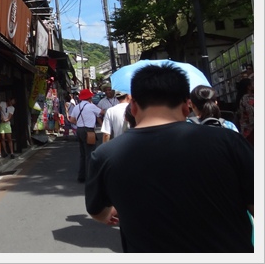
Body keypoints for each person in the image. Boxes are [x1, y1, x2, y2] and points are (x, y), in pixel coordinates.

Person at [85, 62, 254, 252]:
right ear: (186, 106)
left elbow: (97, 211)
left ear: (132, 107)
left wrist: (112, 212)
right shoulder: (228, 141)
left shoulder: (106, 154)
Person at [67, 89, 101, 183]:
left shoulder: (77, 107)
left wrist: (80, 122)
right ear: (89, 97)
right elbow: (101, 112)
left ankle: (81, 176)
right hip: (89, 131)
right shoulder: (91, 106)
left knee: (82, 154)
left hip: (79, 130)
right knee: (90, 154)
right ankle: (90, 176)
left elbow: (72, 120)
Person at [238, 78, 254, 146]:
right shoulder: (247, 99)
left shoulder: (243, 98)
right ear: (249, 86)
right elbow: (252, 114)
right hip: (250, 130)